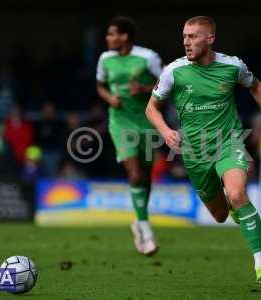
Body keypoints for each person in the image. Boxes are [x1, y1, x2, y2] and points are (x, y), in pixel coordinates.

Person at [146, 16, 261, 287]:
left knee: (236, 194)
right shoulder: (173, 71)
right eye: (184, 36)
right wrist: (164, 131)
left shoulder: (232, 66)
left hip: (229, 142)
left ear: (210, 39)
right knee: (220, 215)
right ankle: (234, 208)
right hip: (194, 152)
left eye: (193, 36)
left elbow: (256, 87)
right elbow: (151, 108)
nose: (186, 41)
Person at [96, 16, 162, 255]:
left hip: (147, 121)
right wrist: (109, 98)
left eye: (112, 34)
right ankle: (146, 231)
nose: (107, 38)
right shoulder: (105, 59)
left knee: (146, 176)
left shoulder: (148, 57)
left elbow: (166, 82)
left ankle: (140, 220)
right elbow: (100, 85)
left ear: (124, 36)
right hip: (120, 122)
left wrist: (144, 89)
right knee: (134, 175)